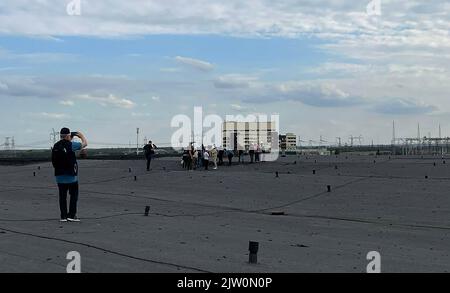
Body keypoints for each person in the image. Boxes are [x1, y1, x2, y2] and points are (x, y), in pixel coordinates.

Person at [52, 128, 87, 222]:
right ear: (68, 135)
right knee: (73, 195)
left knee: (62, 197)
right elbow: (85, 144)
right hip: (71, 176)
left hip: (59, 175)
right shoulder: (71, 145)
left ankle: (63, 216)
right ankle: (71, 215)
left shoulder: (55, 146)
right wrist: (81, 135)